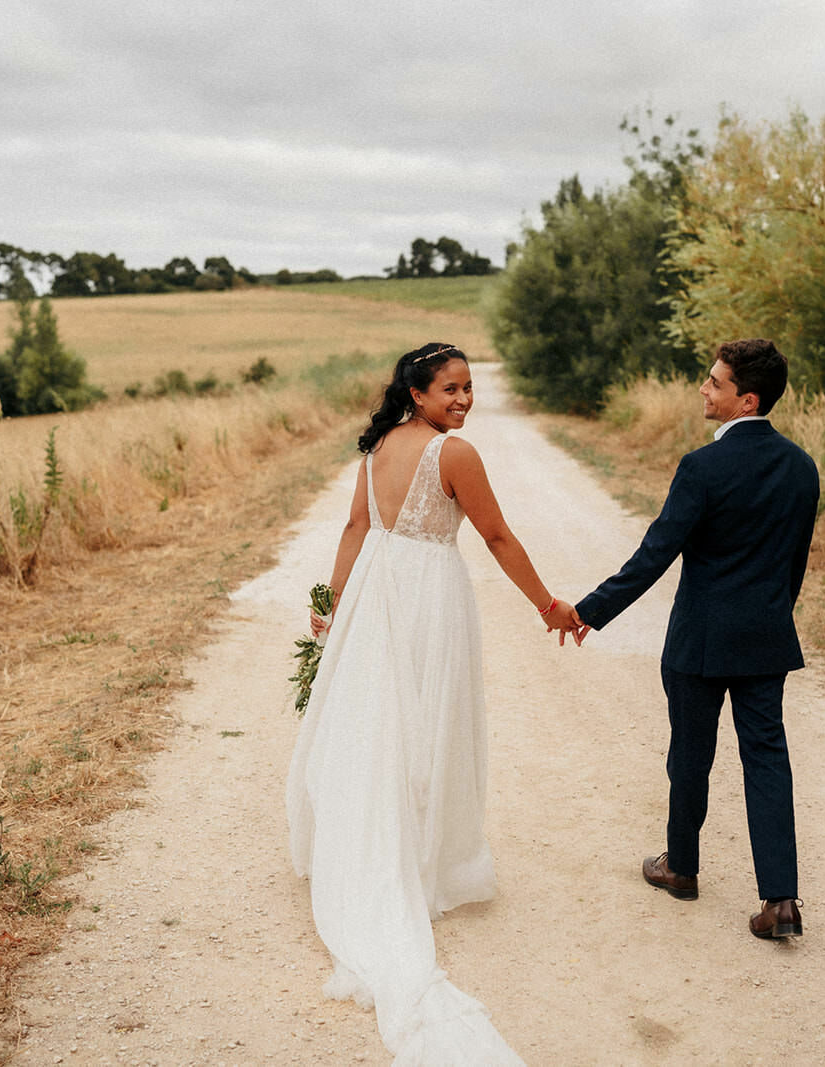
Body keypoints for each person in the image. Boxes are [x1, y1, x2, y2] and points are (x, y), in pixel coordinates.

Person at [286, 342, 577, 1064]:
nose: (464, 400)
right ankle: (420, 859)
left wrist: (335, 603)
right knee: (428, 724)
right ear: (416, 392)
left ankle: (391, 843)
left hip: (381, 594)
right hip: (426, 600)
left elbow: (357, 530)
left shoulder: (378, 445)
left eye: (470, 388)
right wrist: (547, 602)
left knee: (383, 723)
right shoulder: (455, 456)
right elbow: (498, 534)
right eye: (451, 388)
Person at [571, 338, 820, 940]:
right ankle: (780, 899)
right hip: (766, 637)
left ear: (746, 399)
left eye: (714, 383)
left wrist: (586, 611)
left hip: (700, 641)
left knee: (691, 753)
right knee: (767, 761)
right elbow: (794, 565)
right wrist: (769, 616)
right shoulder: (800, 467)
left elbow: (654, 555)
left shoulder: (701, 467)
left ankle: (681, 867)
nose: (703, 390)